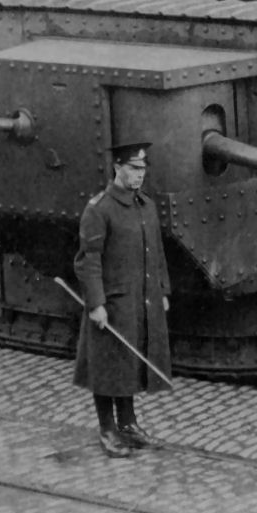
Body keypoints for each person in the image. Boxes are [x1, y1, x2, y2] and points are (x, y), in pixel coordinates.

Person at [73, 140, 173, 456]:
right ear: (118, 167)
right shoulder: (99, 209)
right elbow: (88, 260)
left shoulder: (146, 206)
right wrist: (97, 304)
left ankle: (128, 424)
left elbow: (156, 254)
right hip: (112, 302)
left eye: (143, 169)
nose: (140, 175)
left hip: (140, 299)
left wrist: (163, 291)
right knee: (106, 366)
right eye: (134, 168)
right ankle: (107, 430)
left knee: (127, 364)